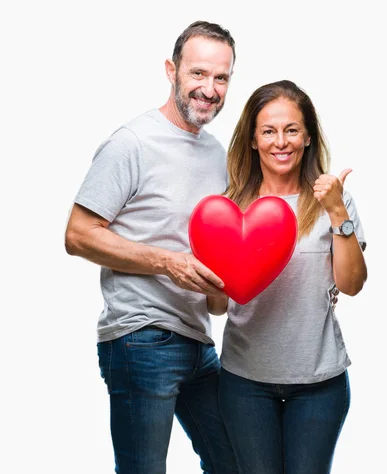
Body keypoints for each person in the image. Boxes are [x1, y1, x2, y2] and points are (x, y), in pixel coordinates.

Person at [64, 21, 239, 474]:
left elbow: (211, 252)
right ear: (171, 70)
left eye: (221, 78)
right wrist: (166, 262)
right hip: (141, 338)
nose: (209, 89)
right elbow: (78, 234)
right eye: (198, 73)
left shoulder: (218, 155)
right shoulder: (132, 143)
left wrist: (222, 287)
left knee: (238, 460)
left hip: (199, 341)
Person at [209, 80, 368, 474]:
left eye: (292, 130)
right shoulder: (228, 207)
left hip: (319, 383)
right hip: (245, 381)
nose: (281, 142)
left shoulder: (334, 198)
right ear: (252, 140)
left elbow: (351, 284)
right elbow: (216, 307)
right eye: (268, 131)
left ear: (308, 136)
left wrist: (336, 214)